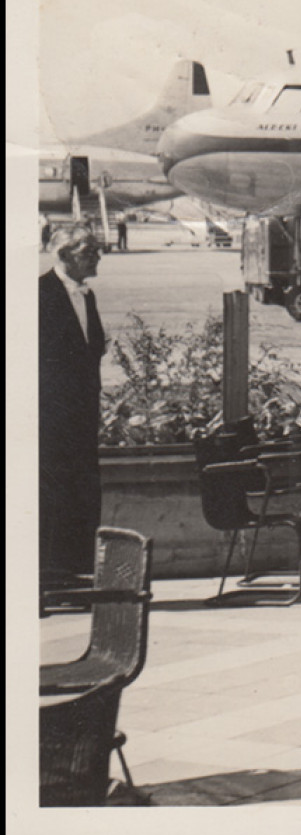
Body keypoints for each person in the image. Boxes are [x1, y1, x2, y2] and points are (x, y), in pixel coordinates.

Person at [39, 222, 108, 591]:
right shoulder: (39, 293)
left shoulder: (88, 296)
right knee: (53, 495)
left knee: (83, 491)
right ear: (64, 255)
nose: (98, 256)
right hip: (50, 418)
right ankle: (51, 575)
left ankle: (78, 571)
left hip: (82, 416)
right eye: (88, 251)